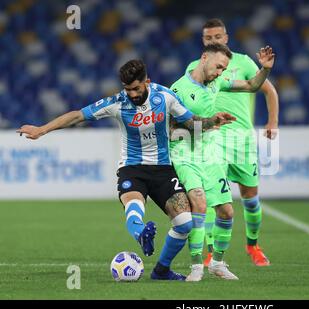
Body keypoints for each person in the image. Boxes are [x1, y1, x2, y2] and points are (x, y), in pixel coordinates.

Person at [17, 59, 235, 281]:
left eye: (136, 89)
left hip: (162, 169)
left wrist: (212, 121)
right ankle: (141, 233)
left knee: (185, 223)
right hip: (132, 168)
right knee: (134, 205)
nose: (131, 94)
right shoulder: (117, 102)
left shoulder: (165, 96)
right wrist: (42, 130)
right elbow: (77, 115)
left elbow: (190, 122)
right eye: (127, 89)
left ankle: (161, 270)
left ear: (147, 82)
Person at [170, 43, 275, 281]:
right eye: (218, 67)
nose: (220, 73)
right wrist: (209, 122)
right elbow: (172, 129)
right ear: (204, 57)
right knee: (199, 202)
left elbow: (251, 85)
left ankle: (217, 263)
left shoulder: (216, 83)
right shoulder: (178, 89)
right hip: (185, 153)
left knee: (227, 212)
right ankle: (196, 266)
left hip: (211, 153)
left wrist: (265, 69)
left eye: (224, 69)